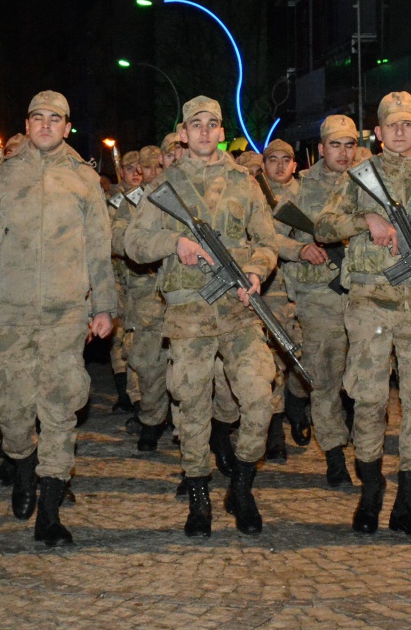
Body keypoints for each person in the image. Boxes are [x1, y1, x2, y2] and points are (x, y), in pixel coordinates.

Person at [0, 90, 116, 546]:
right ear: (26, 125)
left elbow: (99, 248)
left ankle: (50, 510)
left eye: (55, 119)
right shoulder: (3, 176)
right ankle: (23, 463)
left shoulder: (84, 179)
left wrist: (104, 305)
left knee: (60, 407)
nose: (46, 125)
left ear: (67, 127)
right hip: (11, 310)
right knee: (10, 406)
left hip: (66, 311)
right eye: (38, 118)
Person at [125, 95, 289, 537]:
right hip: (188, 316)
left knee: (259, 397)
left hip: (238, 311)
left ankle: (242, 485)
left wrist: (255, 271)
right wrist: (173, 244)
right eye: (194, 124)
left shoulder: (243, 182)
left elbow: (267, 242)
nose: (203, 131)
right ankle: (199, 495)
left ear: (221, 132)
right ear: (183, 133)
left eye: (211, 124)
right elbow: (133, 244)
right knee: (192, 406)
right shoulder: (165, 186)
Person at [315, 91, 411, 538]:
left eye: (408, 124)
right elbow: (323, 225)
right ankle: (371, 492)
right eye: (392, 125)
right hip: (369, 306)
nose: (400, 131)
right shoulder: (359, 177)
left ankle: (407, 503)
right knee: (368, 400)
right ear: (379, 132)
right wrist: (366, 220)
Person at [281, 114, 360, 487]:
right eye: (335, 145)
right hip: (318, 294)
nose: (343, 153)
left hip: (364, 293)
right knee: (325, 377)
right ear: (321, 148)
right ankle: (334, 455)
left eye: (349, 145)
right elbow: (269, 236)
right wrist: (299, 249)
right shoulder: (299, 189)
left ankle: (365, 448)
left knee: (363, 378)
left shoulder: (368, 183)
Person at [259, 138, 323, 463]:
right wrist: (298, 249)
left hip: (309, 286)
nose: (280, 165)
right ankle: (274, 430)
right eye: (273, 159)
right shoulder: (255, 198)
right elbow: (265, 239)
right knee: (273, 358)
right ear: (263, 165)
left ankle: (297, 405)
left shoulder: (308, 193)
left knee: (308, 352)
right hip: (272, 287)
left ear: (295, 165)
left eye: (286, 160)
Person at [111, 151, 169, 446]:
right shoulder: (132, 201)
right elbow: (117, 238)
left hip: (185, 290)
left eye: (160, 165)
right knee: (146, 360)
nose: (154, 171)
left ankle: (183, 423)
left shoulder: (183, 193)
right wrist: (148, 247)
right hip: (146, 290)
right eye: (148, 167)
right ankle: (151, 416)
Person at [107, 149, 146, 414]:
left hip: (141, 277)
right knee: (119, 335)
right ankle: (125, 394)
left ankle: (141, 394)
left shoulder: (148, 197)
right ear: (121, 171)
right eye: (130, 168)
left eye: (139, 168)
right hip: (118, 276)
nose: (136, 173)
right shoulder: (114, 202)